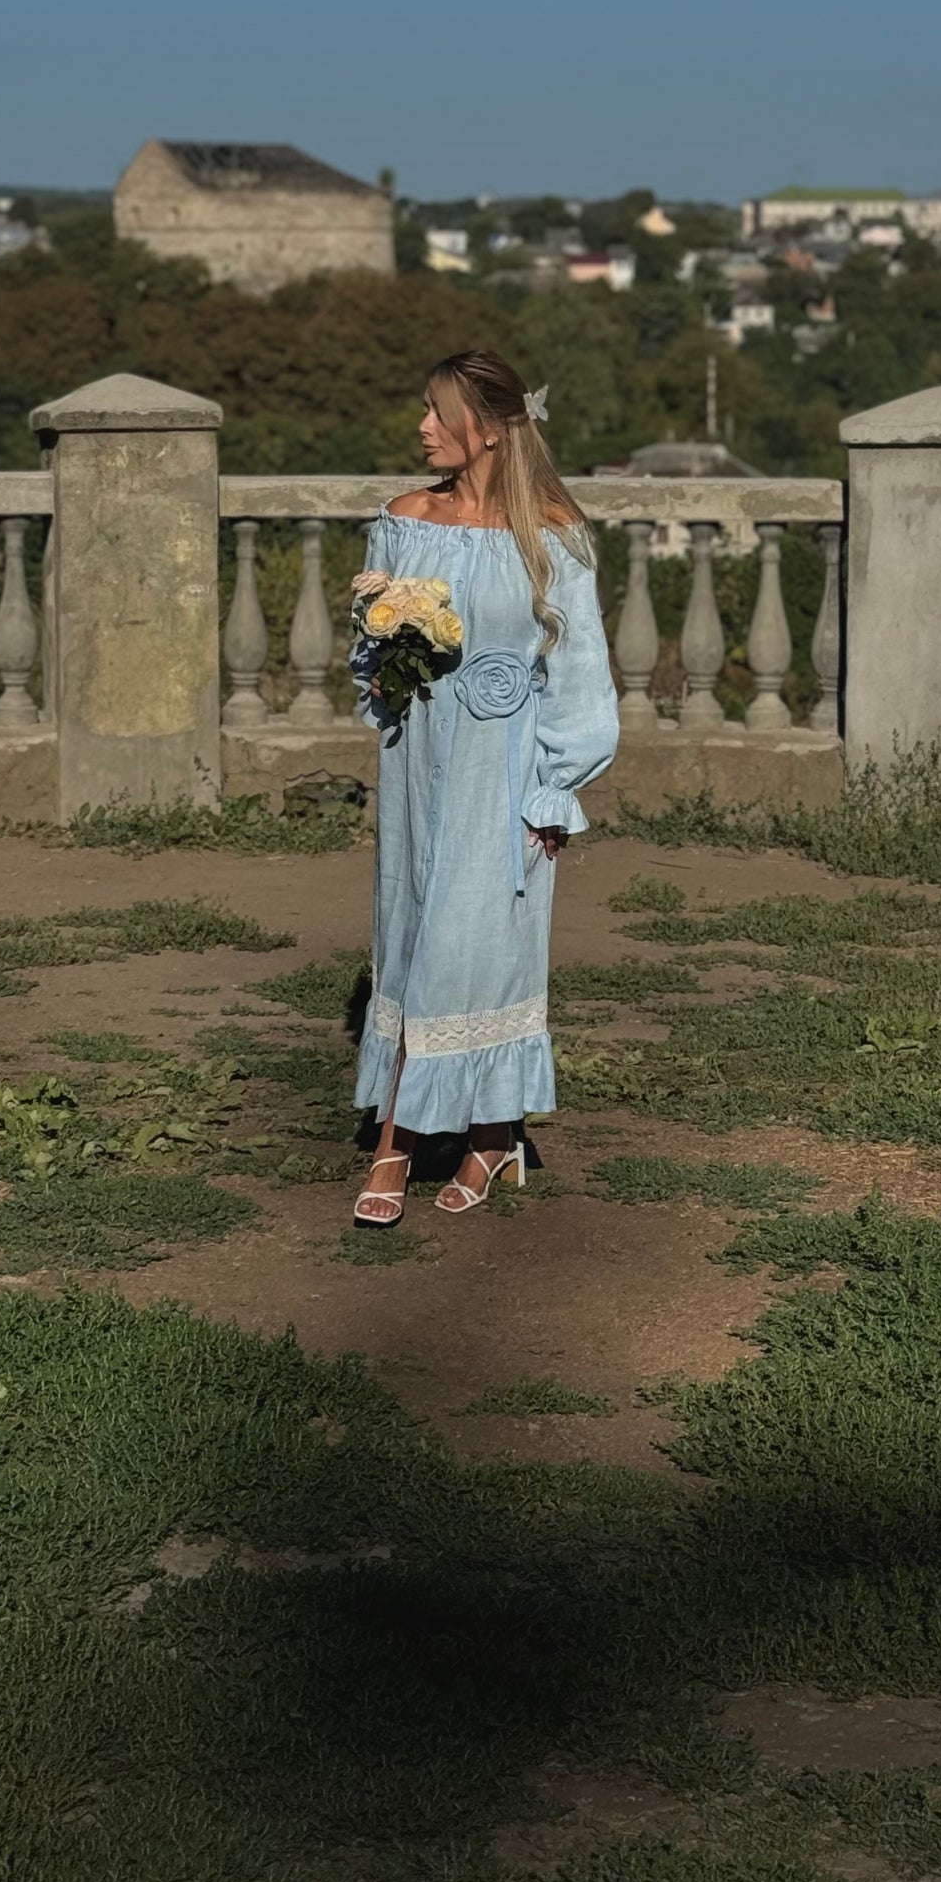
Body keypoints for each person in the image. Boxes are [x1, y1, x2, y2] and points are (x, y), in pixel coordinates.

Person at [352, 348, 619, 1225]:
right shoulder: (401, 519)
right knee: (412, 936)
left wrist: (555, 790)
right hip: (417, 769)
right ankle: (441, 1132)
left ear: (492, 427)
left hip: (507, 777)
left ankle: (455, 1137)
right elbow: (370, 650)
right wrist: (389, 648)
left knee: (488, 945)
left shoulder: (553, 537)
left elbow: (578, 675)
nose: (421, 427)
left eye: (438, 413)